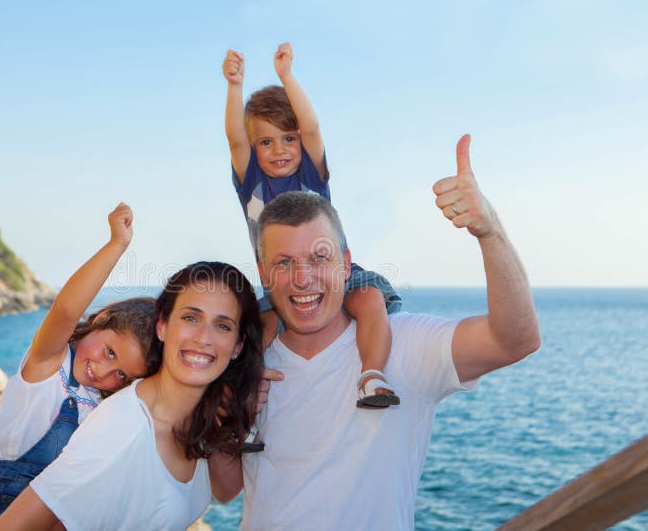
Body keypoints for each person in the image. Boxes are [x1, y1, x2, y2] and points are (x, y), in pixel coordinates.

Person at [208, 135, 542, 530]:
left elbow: (516, 340)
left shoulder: (404, 344)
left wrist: (490, 233)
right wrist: (228, 417)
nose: (303, 278)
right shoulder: (247, 361)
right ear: (264, 274)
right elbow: (225, 490)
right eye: (284, 263)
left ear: (347, 264)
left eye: (320, 257)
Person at [0, 261, 265, 530]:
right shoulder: (122, 425)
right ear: (163, 326)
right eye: (191, 317)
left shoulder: (197, 415)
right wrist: (116, 243)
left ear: (238, 345)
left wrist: (233, 402)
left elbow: (227, 490)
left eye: (223, 326)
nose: (204, 337)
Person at [223, 42, 402, 408]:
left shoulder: (311, 173)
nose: (279, 150)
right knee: (257, 333)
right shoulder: (251, 183)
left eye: (289, 139)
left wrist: (287, 77)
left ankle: (371, 376)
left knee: (368, 299)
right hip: (283, 285)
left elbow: (312, 126)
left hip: (334, 276)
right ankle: (244, 408)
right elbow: (235, 138)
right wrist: (234, 87)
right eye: (266, 142)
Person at [0, 203, 156, 529]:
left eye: (121, 375)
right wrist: (117, 244)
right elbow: (64, 311)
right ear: (101, 319)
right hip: (13, 501)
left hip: (66, 512)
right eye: (110, 353)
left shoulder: (104, 403)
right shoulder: (49, 365)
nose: (103, 372)